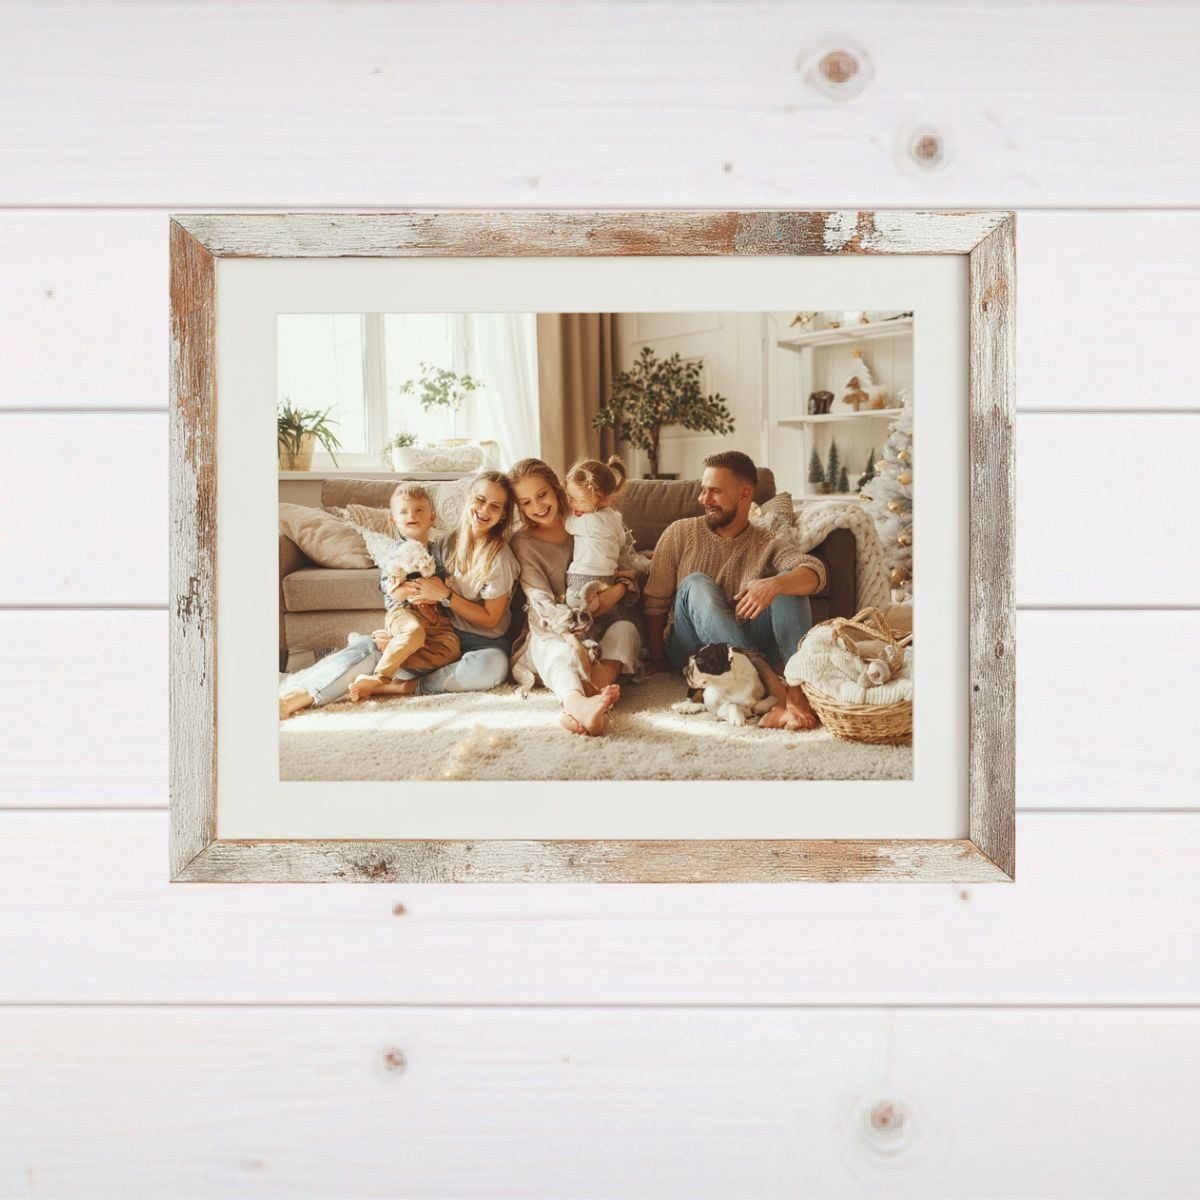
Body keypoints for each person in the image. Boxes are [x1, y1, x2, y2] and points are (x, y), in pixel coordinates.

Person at [278, 472, 518, 718]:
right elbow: (409, 588)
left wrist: (445, 595)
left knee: (494, 667)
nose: (484, 509)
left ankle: (401, 687)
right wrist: (397, 628)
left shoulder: (500, 558)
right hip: (439, 636)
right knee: (371, 648)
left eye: (495, 506)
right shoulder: (446, 543)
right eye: (480, 499)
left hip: (482, 645)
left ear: (502, 516)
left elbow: (491, 619)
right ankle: (298, 695)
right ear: (469, 500)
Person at [642, 450, 825, 731]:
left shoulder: (766, 541)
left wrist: (773, 584)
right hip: (694, 648)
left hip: (749, 640)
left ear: (744, 494)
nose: (704, 499)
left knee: (790, 580)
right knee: (695, 582)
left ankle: (797, 690)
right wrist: (656, 659)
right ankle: (777, 692)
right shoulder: (679, 533)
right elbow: (654, 602)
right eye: (703, 491)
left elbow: (814, 571)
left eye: (714, 492)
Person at [508, 457, 642, 737]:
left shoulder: (589, 517)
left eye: (542, 495)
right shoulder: (523, 542)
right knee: (561, 650)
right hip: (550, 630)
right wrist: (572, 630)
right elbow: (540, 601)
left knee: (626, 630)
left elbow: (626, 567)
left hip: (600, 625)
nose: (538, 507)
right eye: (526, 502)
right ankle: (577, 703)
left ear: (556, 489)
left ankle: (593, 694)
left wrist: (616, 592)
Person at [346, 482, 460, 701]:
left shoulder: (438, 551)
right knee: (414, 632)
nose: (412, 515)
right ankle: (381, 677)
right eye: (404, 511)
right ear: (393, 520)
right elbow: (395, 595)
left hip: (436, 617)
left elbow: (446, 584)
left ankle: (393, 648)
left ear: (431, 518)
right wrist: (411, 587)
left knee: (452, 651)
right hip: (404, 613)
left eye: (419, 510)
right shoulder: (395, 553)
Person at [561, 455, 628, 611]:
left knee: (572, 602)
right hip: (608, 577)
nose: (572, 504)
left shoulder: (591, 522)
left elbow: (568, 524)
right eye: (570, 498)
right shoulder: (616, 518)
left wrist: (566, 513)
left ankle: (585, 610)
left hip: (583, 576)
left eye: (580, 500)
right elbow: (621, 541)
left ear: (603, 500)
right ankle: (591, 607)